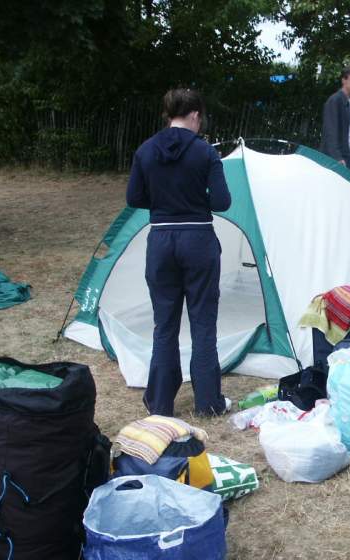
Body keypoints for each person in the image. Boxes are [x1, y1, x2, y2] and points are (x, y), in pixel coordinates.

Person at [126, 88, 231, 417]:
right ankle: (208, 403)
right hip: (198, 239)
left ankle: (160, 403)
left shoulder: (145, 150)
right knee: (203, 323)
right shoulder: (205, 152)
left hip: (161, 240)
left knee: (164, 325)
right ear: (195, 115)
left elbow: (134, 198)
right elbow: (222, 202)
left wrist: (164, 202)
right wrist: (195, 199)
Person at [320, 66, 350, 176]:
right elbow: (330, 131)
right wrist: (337, 157)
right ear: (344, 80)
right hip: (339, 152)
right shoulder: (335, 100)